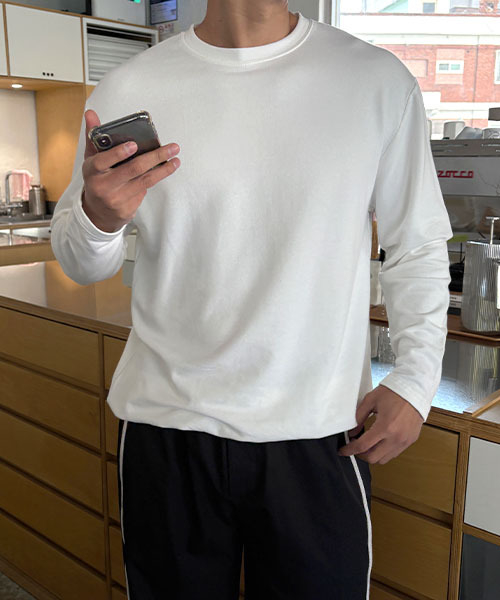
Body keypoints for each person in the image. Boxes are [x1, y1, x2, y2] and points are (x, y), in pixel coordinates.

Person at [51, 0, 453, 598]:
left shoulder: (375, 80)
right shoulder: (130, 86)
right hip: (169, 425)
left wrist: (416, 380)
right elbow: (81, 262)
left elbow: (416, 244)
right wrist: (98, 215)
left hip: (318, 430)